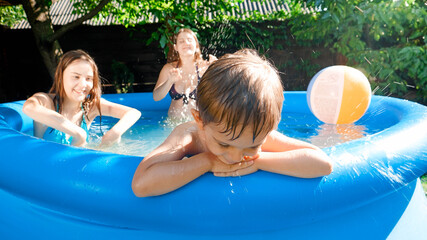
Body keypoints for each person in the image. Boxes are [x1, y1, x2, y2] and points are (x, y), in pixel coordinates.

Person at [132, 49, 333, 197]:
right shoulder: (188, 136)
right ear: (200, 120)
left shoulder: (254, 130)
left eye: (253, 146)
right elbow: (141, 184)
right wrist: (207, 161)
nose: (236, 156)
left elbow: (322, 163)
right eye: (223, 144)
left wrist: (258, 161)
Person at [23, 49, 141, 147]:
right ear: (60, 77)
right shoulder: (46, 102)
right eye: (76, 77)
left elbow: (133, 113)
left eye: (88, 78)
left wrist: (113, 134)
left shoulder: (90, 106)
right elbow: (28, 107)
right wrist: (78, 133)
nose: (83, 85)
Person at [152, 28, 216, 121]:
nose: (186, 43)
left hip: (197, 124)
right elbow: (156, 97)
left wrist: (217, 69)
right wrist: (169, 81)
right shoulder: (169, 68)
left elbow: (220, 95)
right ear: (176, 47)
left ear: (196, 45)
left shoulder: (205, 67)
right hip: (173, 124)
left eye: (190, 40)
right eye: (181, 41)